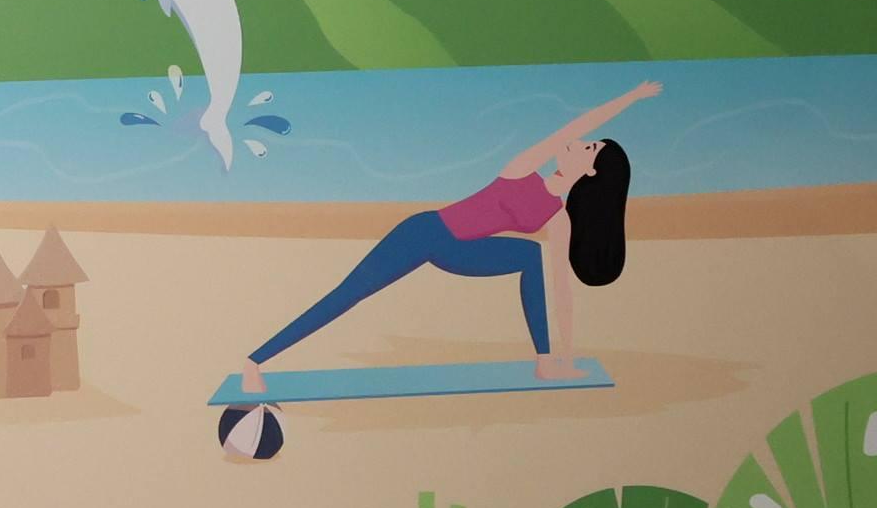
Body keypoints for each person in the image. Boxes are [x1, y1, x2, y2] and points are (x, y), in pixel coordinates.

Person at [231, 82, 654, 391]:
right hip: (425, 232)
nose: (579, 142)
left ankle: (544, 362)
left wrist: (568, 354)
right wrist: (631, 98)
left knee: (530, 256)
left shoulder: (559, 218)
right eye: (586, 141)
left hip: (460, 251)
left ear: (592, 171)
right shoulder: (525, 167)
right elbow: (581, 122)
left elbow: (561, 288)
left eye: (589, 148)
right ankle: (255, 362)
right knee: (350, 293)